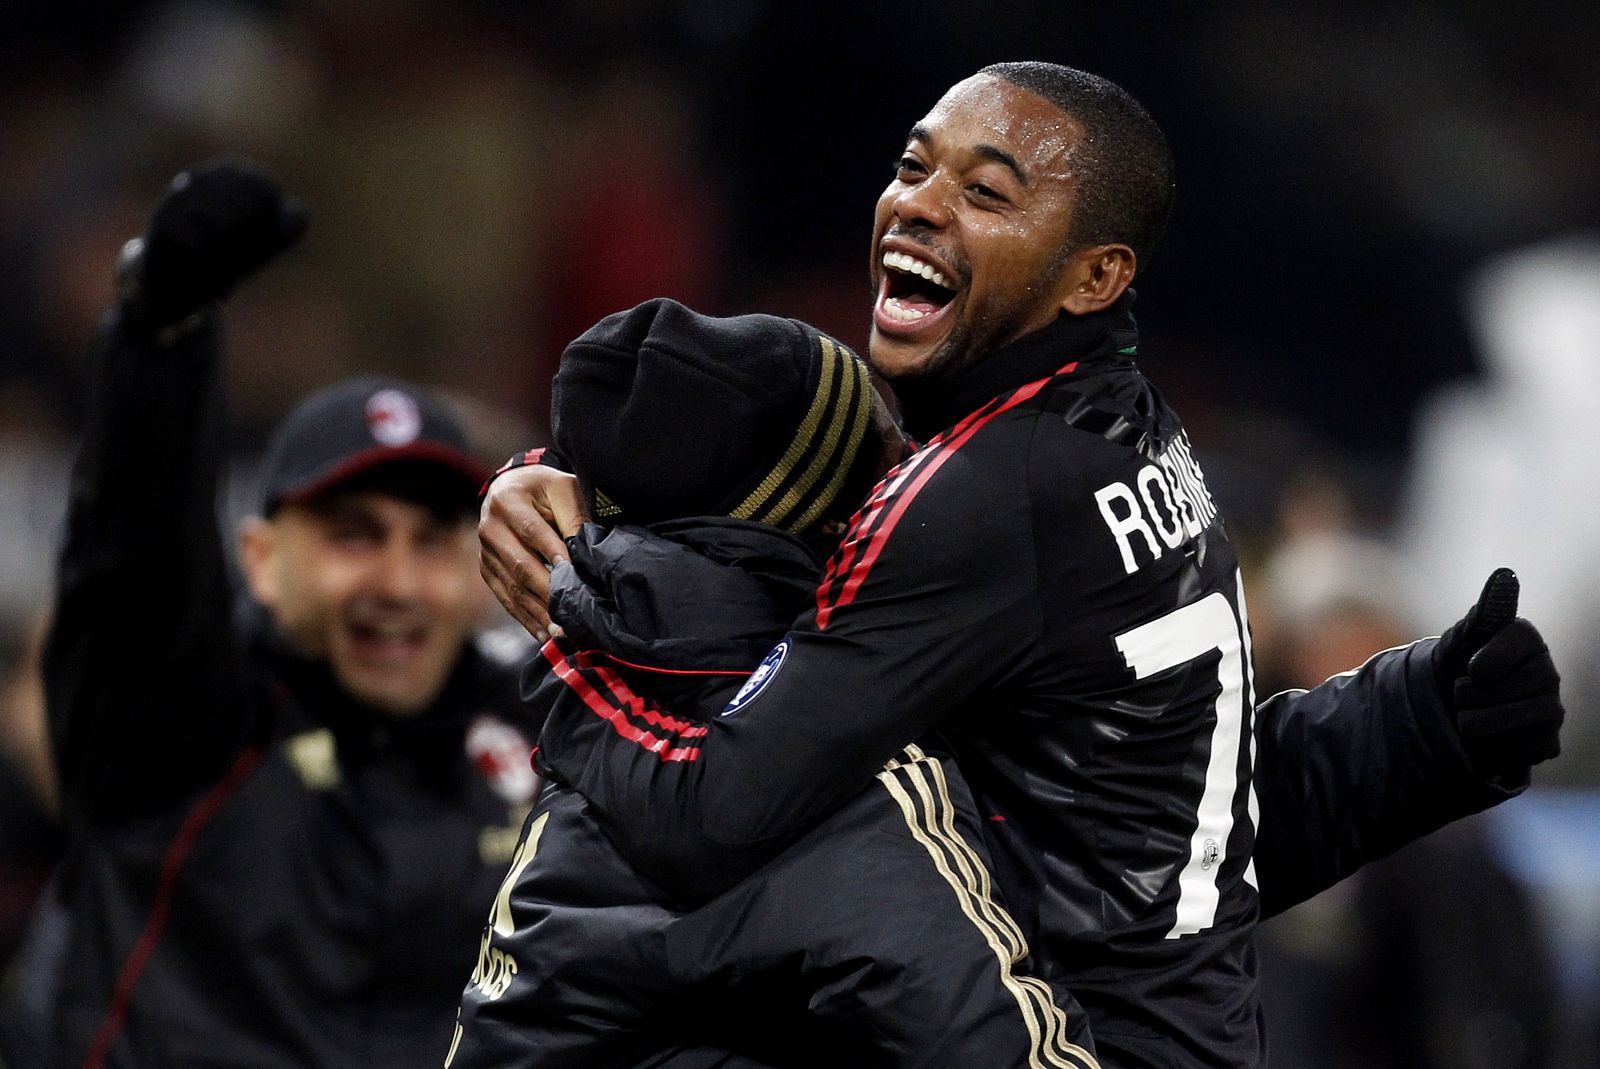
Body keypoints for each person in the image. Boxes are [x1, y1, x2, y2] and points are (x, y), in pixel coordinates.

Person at [481, 63, 1564, 1068]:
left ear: (1095, 275)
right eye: (912, 166)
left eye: (988, 193)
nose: (918, 203)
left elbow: (712, 816)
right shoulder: (1133, 437)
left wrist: (574, 615)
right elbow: (1156, 825)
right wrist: (1407, 726)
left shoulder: (987, 493)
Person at [450, 297, 1096, 1069]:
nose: (918, 485)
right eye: (893, 459)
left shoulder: (605, 708)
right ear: (839, 520)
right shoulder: (841, 770)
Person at [42, 163, 541, 1069]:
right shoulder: (178, 719)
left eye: (431, 540)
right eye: (354, 535)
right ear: (261, 562)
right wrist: (162, 338)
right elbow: (131, 556)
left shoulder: (540, 735)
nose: (395, 581)